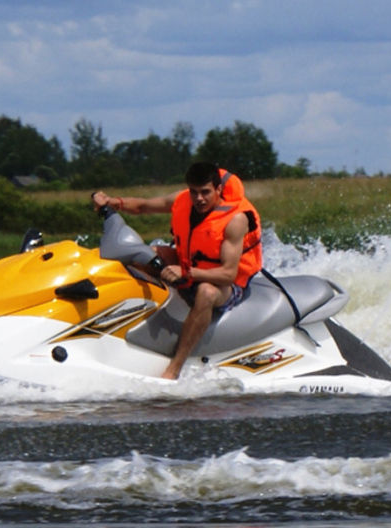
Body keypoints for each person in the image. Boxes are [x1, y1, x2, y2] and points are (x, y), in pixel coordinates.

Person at [91, 162, 262, 380]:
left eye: (205, 192)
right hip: (190, 266)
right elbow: (143, 206)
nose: (199, 199)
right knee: (143, 254)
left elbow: (228, 274)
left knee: (206, 292)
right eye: (194, 192)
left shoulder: (235, 220)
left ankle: (174, 368)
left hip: (226, 283)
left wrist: (188, 273)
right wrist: (112, 202)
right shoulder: (183, 200)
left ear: (218, 189)